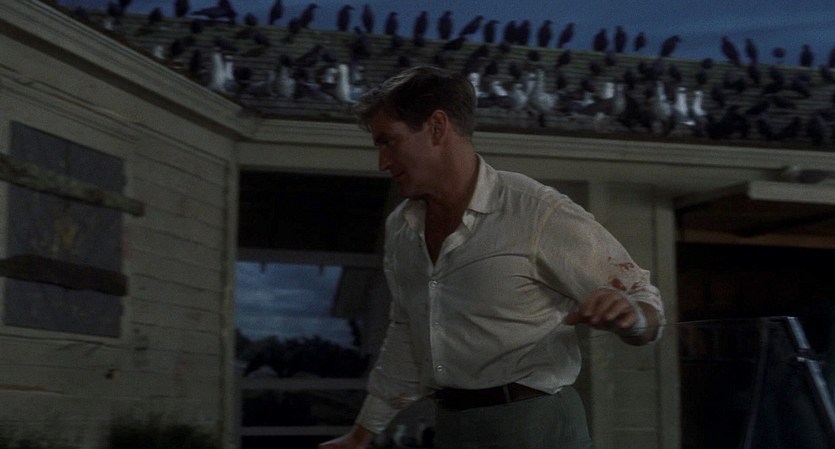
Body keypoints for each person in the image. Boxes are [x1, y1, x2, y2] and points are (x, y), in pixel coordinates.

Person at [318, 66, 665, 449]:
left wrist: (631, 315)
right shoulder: (402, 228)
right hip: (453, 426)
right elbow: (407, 333)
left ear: (437, 128)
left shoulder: (536, 212)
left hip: (537, 428)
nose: (383, 162)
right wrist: (362, 434)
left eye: (390, 142)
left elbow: (645, 305)